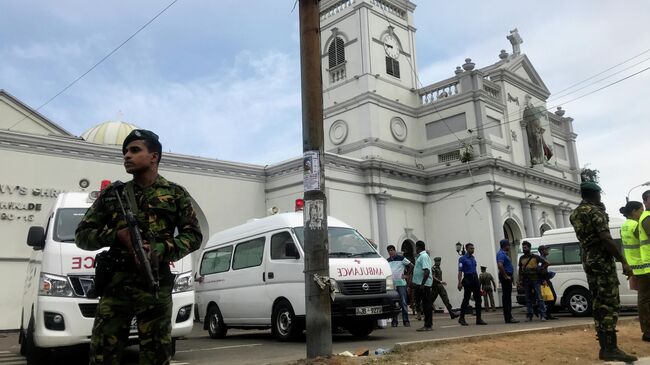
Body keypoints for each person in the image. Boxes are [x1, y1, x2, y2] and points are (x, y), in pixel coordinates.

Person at [76, 129, 203, 365]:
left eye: (135, 150)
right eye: (125, 151)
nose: (127, 155)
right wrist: (116, 236)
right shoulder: (113, 195)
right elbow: (82, 235)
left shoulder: (175, 194)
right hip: (116, 285)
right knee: (103, 354)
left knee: (156, 355)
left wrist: (160, 249)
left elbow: (193, 235)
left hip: (154, 284)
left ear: (153, 156)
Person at [570, 181, 637, 362]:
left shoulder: (575, 213)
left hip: (588, 259)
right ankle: (611, 348)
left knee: (598, 302)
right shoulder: (595, 212)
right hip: (601, 260)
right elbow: (606, 238)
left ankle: (604, 346)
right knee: (609, 302)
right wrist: (623, 261)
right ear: (596, 194)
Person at [457, 243, 486, 326]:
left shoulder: (473, 258)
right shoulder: (462, 259)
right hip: (467, 279)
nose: (473, 250)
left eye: (473, 248)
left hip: (475, 279)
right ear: (467, 249)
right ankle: (461, 318)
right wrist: (459, 282)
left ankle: (479, 319)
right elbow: (460, 271)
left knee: (478, 299)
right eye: (471, 248)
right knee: (466, 299)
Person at [518, 241, 548, 322]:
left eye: (525, 247)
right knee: (527, 299)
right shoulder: (521, 258)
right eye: (523, 247)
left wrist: (541, 269)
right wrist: (520, 280)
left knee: (539, 298)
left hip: (535, 280)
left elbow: (546, 263)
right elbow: (520, 270)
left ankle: (543, 315)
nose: (524, 249)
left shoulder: (535, 257)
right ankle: (529, 315)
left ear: (529, 248)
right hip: (526, 280)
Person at [634, 195, 650, 341]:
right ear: (645, 201)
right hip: (648, 267)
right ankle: (647, 331)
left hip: (645, 267)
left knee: (645, 300)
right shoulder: (647, 217)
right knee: (645, 300)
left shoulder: (644, 217)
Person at [387, 245, 413, 327]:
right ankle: (394, 321)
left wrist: (406, 275)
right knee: (393, 303)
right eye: (389, 251)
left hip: (401, 283)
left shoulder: (401, 258)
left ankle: (406, 320)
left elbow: (411, 265)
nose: (390, 252)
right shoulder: (387, 261)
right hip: (392, 284)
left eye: (391, 250)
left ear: (395, 250)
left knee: (403, 302)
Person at [412, 240, 434, 331]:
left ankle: (428, 325)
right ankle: (428, 324)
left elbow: (427, 271)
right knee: (424, 304)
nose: (415, 250)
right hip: (420, 284)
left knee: (426, 305)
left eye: (415, 248)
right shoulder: (421, 256)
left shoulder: (424, 256)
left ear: (417, 247)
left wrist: (422, 284)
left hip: (423, 285)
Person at [496, 239, 519, 323]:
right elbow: (500, 265)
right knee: (506, 298)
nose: (509, 246)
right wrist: (506, 276)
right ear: (505, 245)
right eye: (508, 245)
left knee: (507, 297)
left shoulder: (504, 254)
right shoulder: (501, 254)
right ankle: (508, 317)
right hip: (506, 276)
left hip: (508, 276)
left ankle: (509, 317)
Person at [537, 245, 559, 320]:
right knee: (552, 297)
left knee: (549, 298)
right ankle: (544, 313)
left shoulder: (544, 258)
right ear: (542, 251)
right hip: (544, 280)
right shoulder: (540, 259)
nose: (547, 251)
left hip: (546, 279)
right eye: (546, 250)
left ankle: (547, 314)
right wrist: (543, 280)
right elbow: (539, 270)